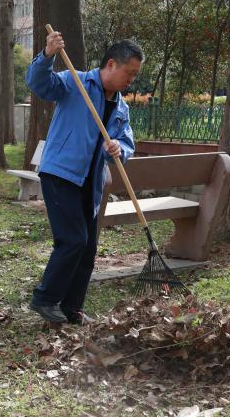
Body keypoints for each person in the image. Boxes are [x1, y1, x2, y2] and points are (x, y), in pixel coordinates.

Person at [25, 32, 142, 326]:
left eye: (135, 74)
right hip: (60, 174)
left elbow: (127, 143)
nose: (131, 80)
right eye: (129, 73)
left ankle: (72, 308)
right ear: (112, 64)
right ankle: (45, 299)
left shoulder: (121, 108)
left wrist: (119, 148)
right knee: (73, 240)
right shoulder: (74, 82)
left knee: (87, 248)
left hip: (90, 182)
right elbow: (39, 84)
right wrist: (47, 54)